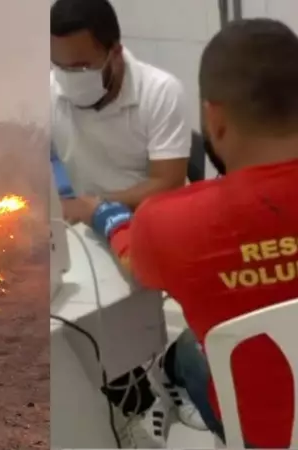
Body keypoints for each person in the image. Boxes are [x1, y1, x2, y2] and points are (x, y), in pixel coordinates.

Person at [68, 18, 298, 448]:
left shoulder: (169, 223)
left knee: (187, 350)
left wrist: (106, 215)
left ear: (215, 119)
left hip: (263, 437)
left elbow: (134, 263)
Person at [50, 0, 191, 224]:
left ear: (115, 53)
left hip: (154, 221)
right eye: (59, 65)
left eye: (81, 67)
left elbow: (168, 183)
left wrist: (95, 205)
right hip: (90, 224)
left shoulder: (159, 91)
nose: (68, 77)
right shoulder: (51, 91)